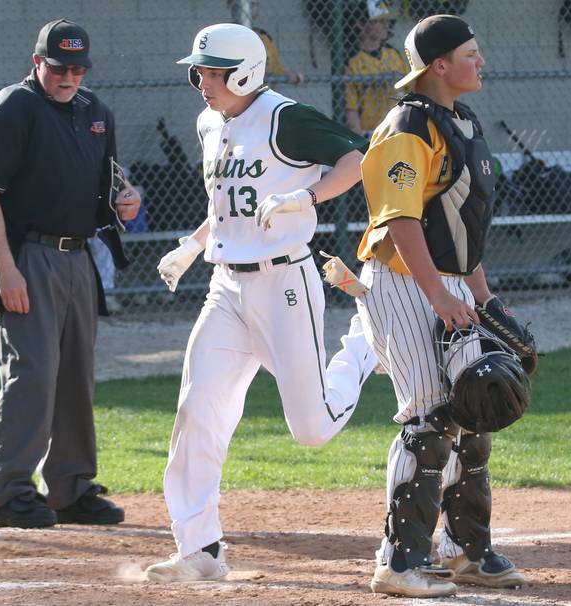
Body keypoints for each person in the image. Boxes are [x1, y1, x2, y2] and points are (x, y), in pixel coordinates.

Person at [144, 22, 377, 582]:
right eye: (200, 71)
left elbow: (358, 159)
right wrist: (192, 246)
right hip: (225, 284)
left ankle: (364, 348)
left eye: (214, 72)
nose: (203, 81)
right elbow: (226, 203)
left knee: (312, 429)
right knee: (197, 410)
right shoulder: (208, 122)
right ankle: (199, 550)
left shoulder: (285, 118)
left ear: (246, 71)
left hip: (284, 284)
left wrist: (308, 194)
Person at [354, 15, 526, 597]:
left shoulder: (461, 121)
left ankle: (464, 551)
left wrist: (482, 294)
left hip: (447, 282)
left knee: (473, 411)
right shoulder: (406, 127)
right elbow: (400, 220)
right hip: (404, 280)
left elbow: (458, 226)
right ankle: (399, 562)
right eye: (470, 53)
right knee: (430, 419)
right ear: (439, 66)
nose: (481, 61)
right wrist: (437, 292)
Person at [0, 19, 140, 529]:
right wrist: (5, 269)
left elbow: (110, 185)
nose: (69, 77)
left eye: (78, 68)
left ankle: (70, 487)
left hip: (79, 257)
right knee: (32, 375)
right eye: (59, 66)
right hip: (28, 257)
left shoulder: (94, 112)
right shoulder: (12, 107)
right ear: (37, 62)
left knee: (74, 376)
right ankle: (8, 493)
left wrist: (124, 202)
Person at [344, 0, 409, 137]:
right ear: (360, 25)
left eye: (386, 20)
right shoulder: (352, 61)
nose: (386, 25)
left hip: (399, 128)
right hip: (370, 133)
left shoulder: (393, 54)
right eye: (378, 21)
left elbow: (412, 90)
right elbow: (351, 109)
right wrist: (359, 137)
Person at [227, 0, 305, 85]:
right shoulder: (221, 37)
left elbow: (276, 70)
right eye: (245, 4)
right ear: (230, 4)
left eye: (253, 4)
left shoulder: (264, 38)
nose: (248, 9)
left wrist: (288, 75)